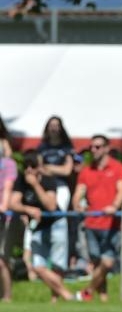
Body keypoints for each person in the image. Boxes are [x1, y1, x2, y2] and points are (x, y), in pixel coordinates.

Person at [10, 150, 77, 302]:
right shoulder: (21, 180)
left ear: (39, 166)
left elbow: (51, 205)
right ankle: (67, 294)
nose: (28, 170)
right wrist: (28, 209)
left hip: (56, 223)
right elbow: (13, 203)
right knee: (38, 267)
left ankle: (55, 300)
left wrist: (35, 185)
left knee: (58, 266)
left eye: (32, 166)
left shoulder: (48, 180)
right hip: (38, 226)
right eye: (26, 166)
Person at [72, 135, 122, 302]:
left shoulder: (118, 168)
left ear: (106, 148)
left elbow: (121, 191)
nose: (94, 150)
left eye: (97, 147)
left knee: (108, 262)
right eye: (92, 147)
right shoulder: (86, 171)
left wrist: (114, 206)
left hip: (111, 224)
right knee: (97, 263)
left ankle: (87, 291)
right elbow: (79, 193)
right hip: (91, 223)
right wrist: (77, 205)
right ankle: (103, 298)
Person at [37, 116, 75, 269]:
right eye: (51, 125)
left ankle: (60, 264)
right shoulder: (42, 148)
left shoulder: (66, 148)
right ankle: (41, 262)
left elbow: (67, 170)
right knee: (43, 221)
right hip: (45, 188)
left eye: (56, 125)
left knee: (60, 221)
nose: (54, 128)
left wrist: (49, 168)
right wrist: (50, 169)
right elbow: (38, 169)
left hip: (61, 187)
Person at [0, 144, 17, 302]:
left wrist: (3, 206)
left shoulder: (9, 165)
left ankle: (7, 296)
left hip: (4, 220)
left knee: (2, 261)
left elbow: (7, 190)